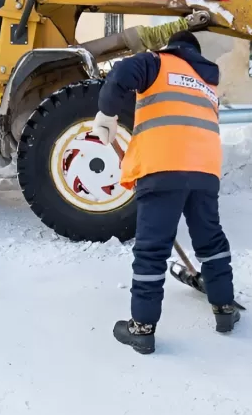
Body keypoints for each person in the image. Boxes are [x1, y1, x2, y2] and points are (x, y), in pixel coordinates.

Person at [91, 31, 238, 355]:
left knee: (152, 249)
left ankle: (142, 329)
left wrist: (107, 112)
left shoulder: (157, 62)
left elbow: (122, 74)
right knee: (210, 240)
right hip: (204, 170)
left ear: (173, 46)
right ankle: (225, 309)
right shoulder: (206, 81)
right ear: (195, 53)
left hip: (162, 167)